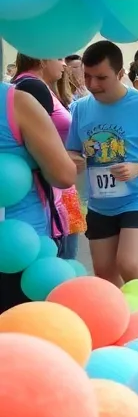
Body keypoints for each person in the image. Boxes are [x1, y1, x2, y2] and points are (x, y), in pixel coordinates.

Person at [68, 41, 138, 285]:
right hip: (101, 202)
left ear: (120, 74)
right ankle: (126, 316)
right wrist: (75, 159)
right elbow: (72, 151)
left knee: (128, 263)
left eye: (101, 78)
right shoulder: (80, 108)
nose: (93, 84)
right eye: (87, 76)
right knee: (105, 272)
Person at [0, 78, 77, 311]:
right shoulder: (16, 102)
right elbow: (63, 175)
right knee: (22, 337)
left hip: (17, 246)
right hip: (18, 249)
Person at [12, 54, 82, 254]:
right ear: (42, 59)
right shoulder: (32, 88)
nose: (63, 64)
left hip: (60, 187)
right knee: (63, 261)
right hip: (51, 190)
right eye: (58, 57)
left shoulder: (36, 87)